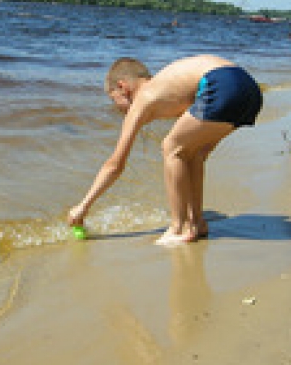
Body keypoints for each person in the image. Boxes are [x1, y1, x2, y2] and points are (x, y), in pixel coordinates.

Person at [67, 55, 263, 246]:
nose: (118, 109)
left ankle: (178, 228)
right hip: (249, 90)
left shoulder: (143, 98)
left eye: (114, 99)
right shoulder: (167, 88)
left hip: (221, 83)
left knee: (171, 148)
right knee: (193, 153)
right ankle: (196, 222)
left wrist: (83, 206)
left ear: (123, 87)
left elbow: (115, 165)